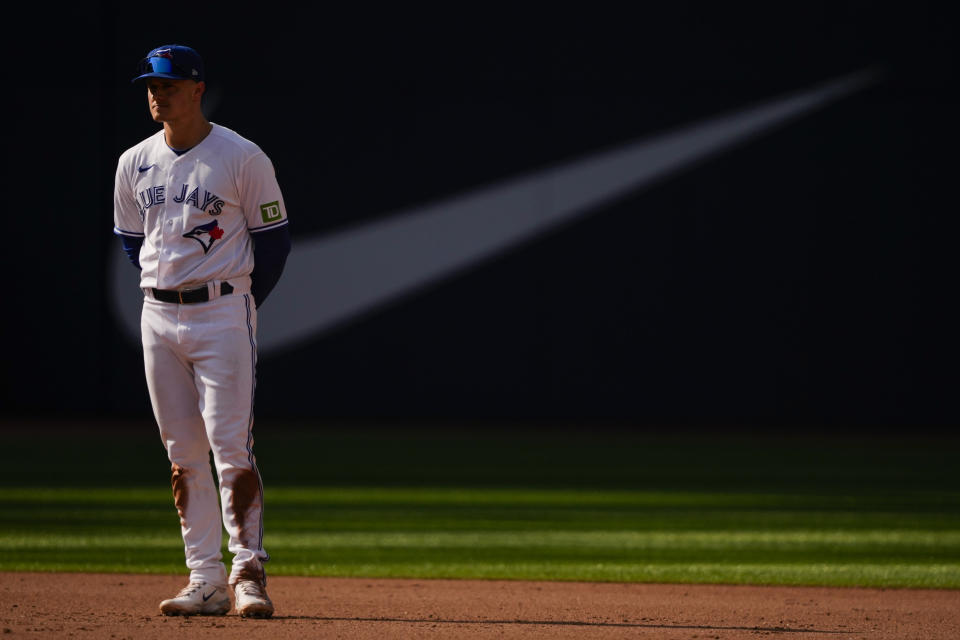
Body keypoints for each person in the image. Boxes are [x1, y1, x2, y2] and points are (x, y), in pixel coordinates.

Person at [112, 44, 291, 618]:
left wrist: (238, 301)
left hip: (222, 312)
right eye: (151, 85)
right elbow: (131, 240)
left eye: (167, 85)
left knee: (231, 447)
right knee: (182, 452)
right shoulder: (133, 161)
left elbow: (275, 243)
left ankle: (247, 572)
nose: (156, 94)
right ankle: (205, 578)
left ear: (195, 89)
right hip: (157, 316)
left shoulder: (242, 156)